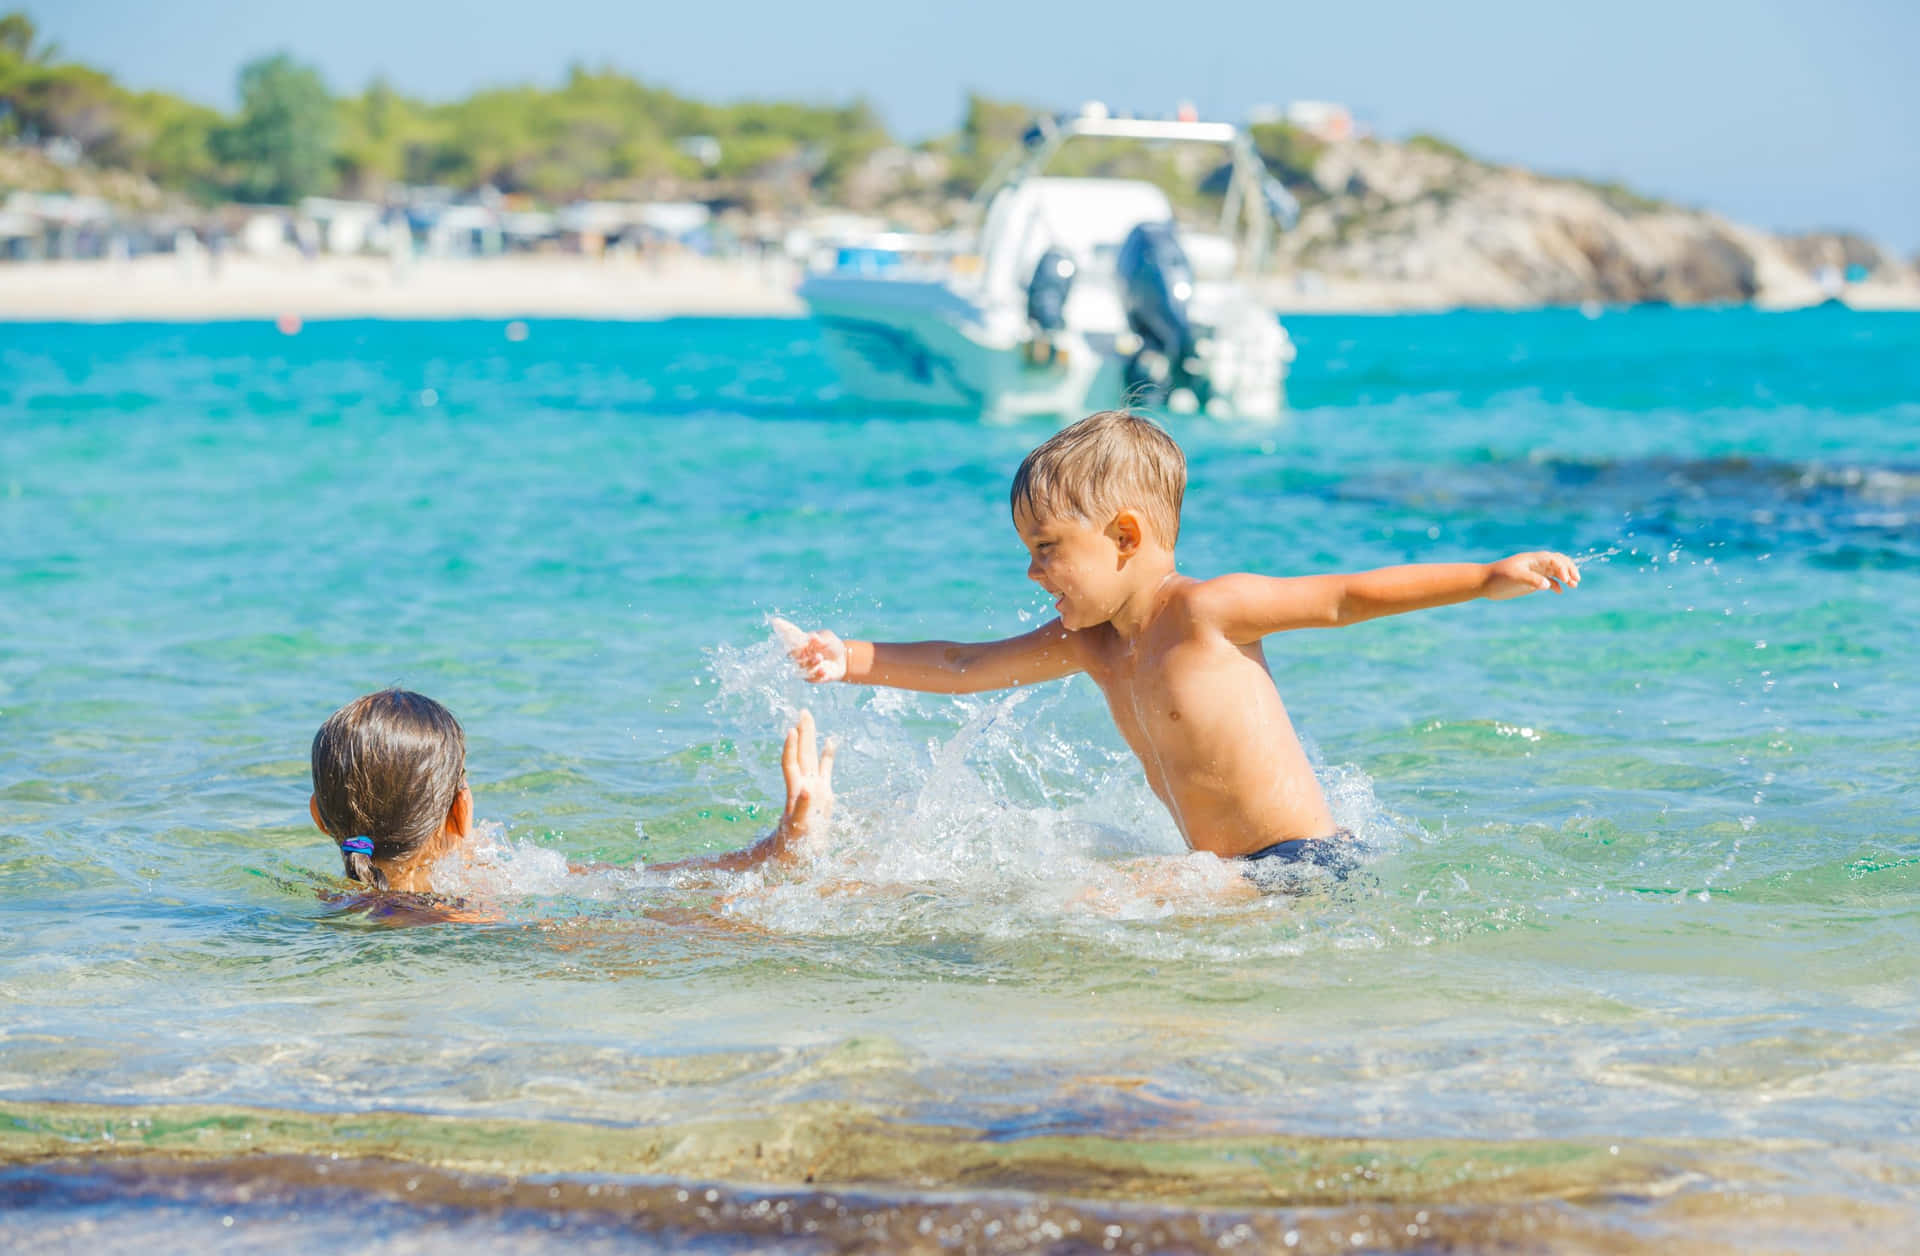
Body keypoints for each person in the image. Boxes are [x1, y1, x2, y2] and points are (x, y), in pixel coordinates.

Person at [775, 410, 1579, 889]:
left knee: (1086, 903)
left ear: (1124, 535)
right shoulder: (1092, 644)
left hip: (1304, 869)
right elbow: (966, 666)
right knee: (1076, 890)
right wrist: (849, 656)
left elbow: (1346, 597)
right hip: (1234, 879)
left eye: (1048, 546)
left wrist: (1486, 577)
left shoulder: (1207, 612)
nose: (1032, 569)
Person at [309, 689, 835, 895]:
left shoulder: (324, 909)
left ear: (320, 816)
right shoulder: (479, 912)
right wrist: (780, 851)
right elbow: (657, 894)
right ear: (460, 812)